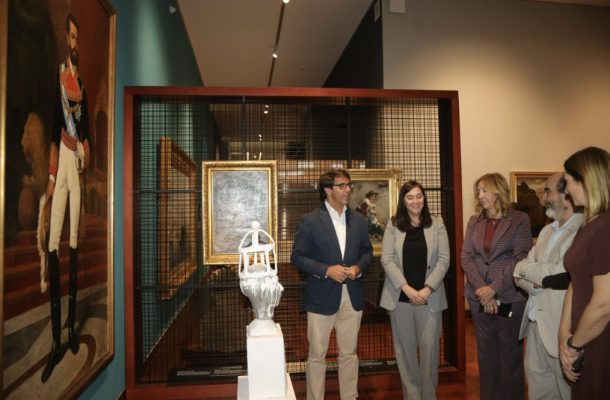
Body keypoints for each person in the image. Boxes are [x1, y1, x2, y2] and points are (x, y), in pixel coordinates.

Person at [291, 169, 373, 400]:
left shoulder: (359, 220)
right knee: (317, 355)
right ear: (328, 190)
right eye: (342, 185)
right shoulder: (310, 221)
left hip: (352, 295)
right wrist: (326, 270)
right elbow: (297, 257)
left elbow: (367, 253)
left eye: (349, 185)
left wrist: (358, 268)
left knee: (349, 354)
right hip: (320, 297)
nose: (348, 190)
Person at [41, 12, 90, 383]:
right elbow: (52, 127)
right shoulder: (57, 79)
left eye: (77, 38)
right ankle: (56, 337)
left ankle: (72, 330)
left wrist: (84, 146)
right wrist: (50, 172)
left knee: (73, 241)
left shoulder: (81, 83)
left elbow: (84, 128)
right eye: (70, 36)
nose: (73, 43)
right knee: (52, 241)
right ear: (64, 38)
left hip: (77, 160)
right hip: (60, 158)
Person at [461, 172, 532, 400]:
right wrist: (483, 290)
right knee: (486, 353)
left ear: (498, 190)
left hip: (510, 296)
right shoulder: (474, 221)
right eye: (478, 191)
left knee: (510, 353)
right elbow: (466, 258)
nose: (480, 195)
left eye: (484, 190)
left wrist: (494, 289)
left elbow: (520, 257)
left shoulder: (519, 219)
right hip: (478, 296)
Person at [514, 172, 583, 400]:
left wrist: (527, 269)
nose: (543, 198)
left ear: (566, 196)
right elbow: (519, 274)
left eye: (547, 191)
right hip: (535, 326)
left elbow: (558, 273)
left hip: (561, 328)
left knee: (568, 393)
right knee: (539, 394)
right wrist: (534, 282)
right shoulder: (546, 231)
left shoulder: (582, 230)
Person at [379, 181, 450, 400]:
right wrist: (407, 288)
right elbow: (386, 260)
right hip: (400, 299)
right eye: (410, 197)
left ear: (424, 198)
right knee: (405, 353)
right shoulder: (393, 225)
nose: (415, 201)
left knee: (429, 353)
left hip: (430, 299)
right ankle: (411, 396)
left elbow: (444, 260)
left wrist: (428, 288)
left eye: (419, 196)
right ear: (403, 200)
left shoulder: (437, 223)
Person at [558, 146, 610, 399]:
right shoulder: (589, 224)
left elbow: (604, 304)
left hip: (598, 339)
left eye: (568, 182)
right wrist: (563, 333)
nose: (566, 191)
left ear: (586, 180)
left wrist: (573, 344)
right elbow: (575, 281)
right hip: (582, 337)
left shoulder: (605, 228)